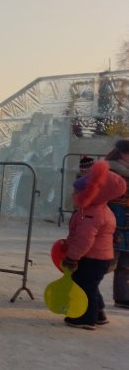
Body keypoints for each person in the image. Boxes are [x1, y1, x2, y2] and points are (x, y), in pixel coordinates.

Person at [59, 160, 126, 329]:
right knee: (90, 284)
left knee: (84, 285)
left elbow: (84, 239)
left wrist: (72, 257)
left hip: (92, 257)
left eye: (77, 192)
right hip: (98, 257)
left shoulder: (92, 214)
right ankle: (99, 313)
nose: (73, 194)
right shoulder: (98, 209)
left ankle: (85, 318)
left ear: (91, 194)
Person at [104, 141, 129, 309]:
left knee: (126, 262)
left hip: (126, 220)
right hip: (114, 218)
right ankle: (85, 289)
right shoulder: (111, 170)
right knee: (106, 261)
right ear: (123, 153)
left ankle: (122, 296)